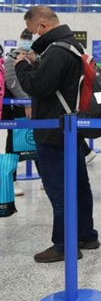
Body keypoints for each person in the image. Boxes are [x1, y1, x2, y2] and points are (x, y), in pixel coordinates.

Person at [15, 6, 99, 263]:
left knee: (59, 189)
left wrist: (22, 67)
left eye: (31, 32)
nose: (31, 37)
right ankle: (86, 234)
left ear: (42, 25)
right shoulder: (73, 46)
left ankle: (64, 244)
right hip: (71, 127)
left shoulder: (56, 51)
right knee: (79, 184)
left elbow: (39, 86)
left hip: (54, 131)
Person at [4, 28, 33, 197]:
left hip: (35, 106)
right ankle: (11, 180)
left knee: (35, 142)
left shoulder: (35, 56)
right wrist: (26, 100)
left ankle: (44, 178)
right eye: (25, 38)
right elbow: (12, 83)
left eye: (30, 38)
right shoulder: (12, 58)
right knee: (13, 144)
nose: (27, 41)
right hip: (17, 108)